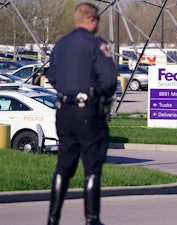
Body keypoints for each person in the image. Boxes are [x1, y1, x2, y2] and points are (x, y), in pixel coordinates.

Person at [46, 2, 118, 225]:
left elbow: (52, 75)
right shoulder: (96, 45)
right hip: (88, 113)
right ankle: (91, 219)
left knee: (63, 166)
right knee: (92, 167)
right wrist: (99, 97)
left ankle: (53, 218)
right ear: (91, 20)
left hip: (64, 113)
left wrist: (68, 89)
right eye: (97, 19)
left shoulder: (61, 45)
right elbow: (109, 80)